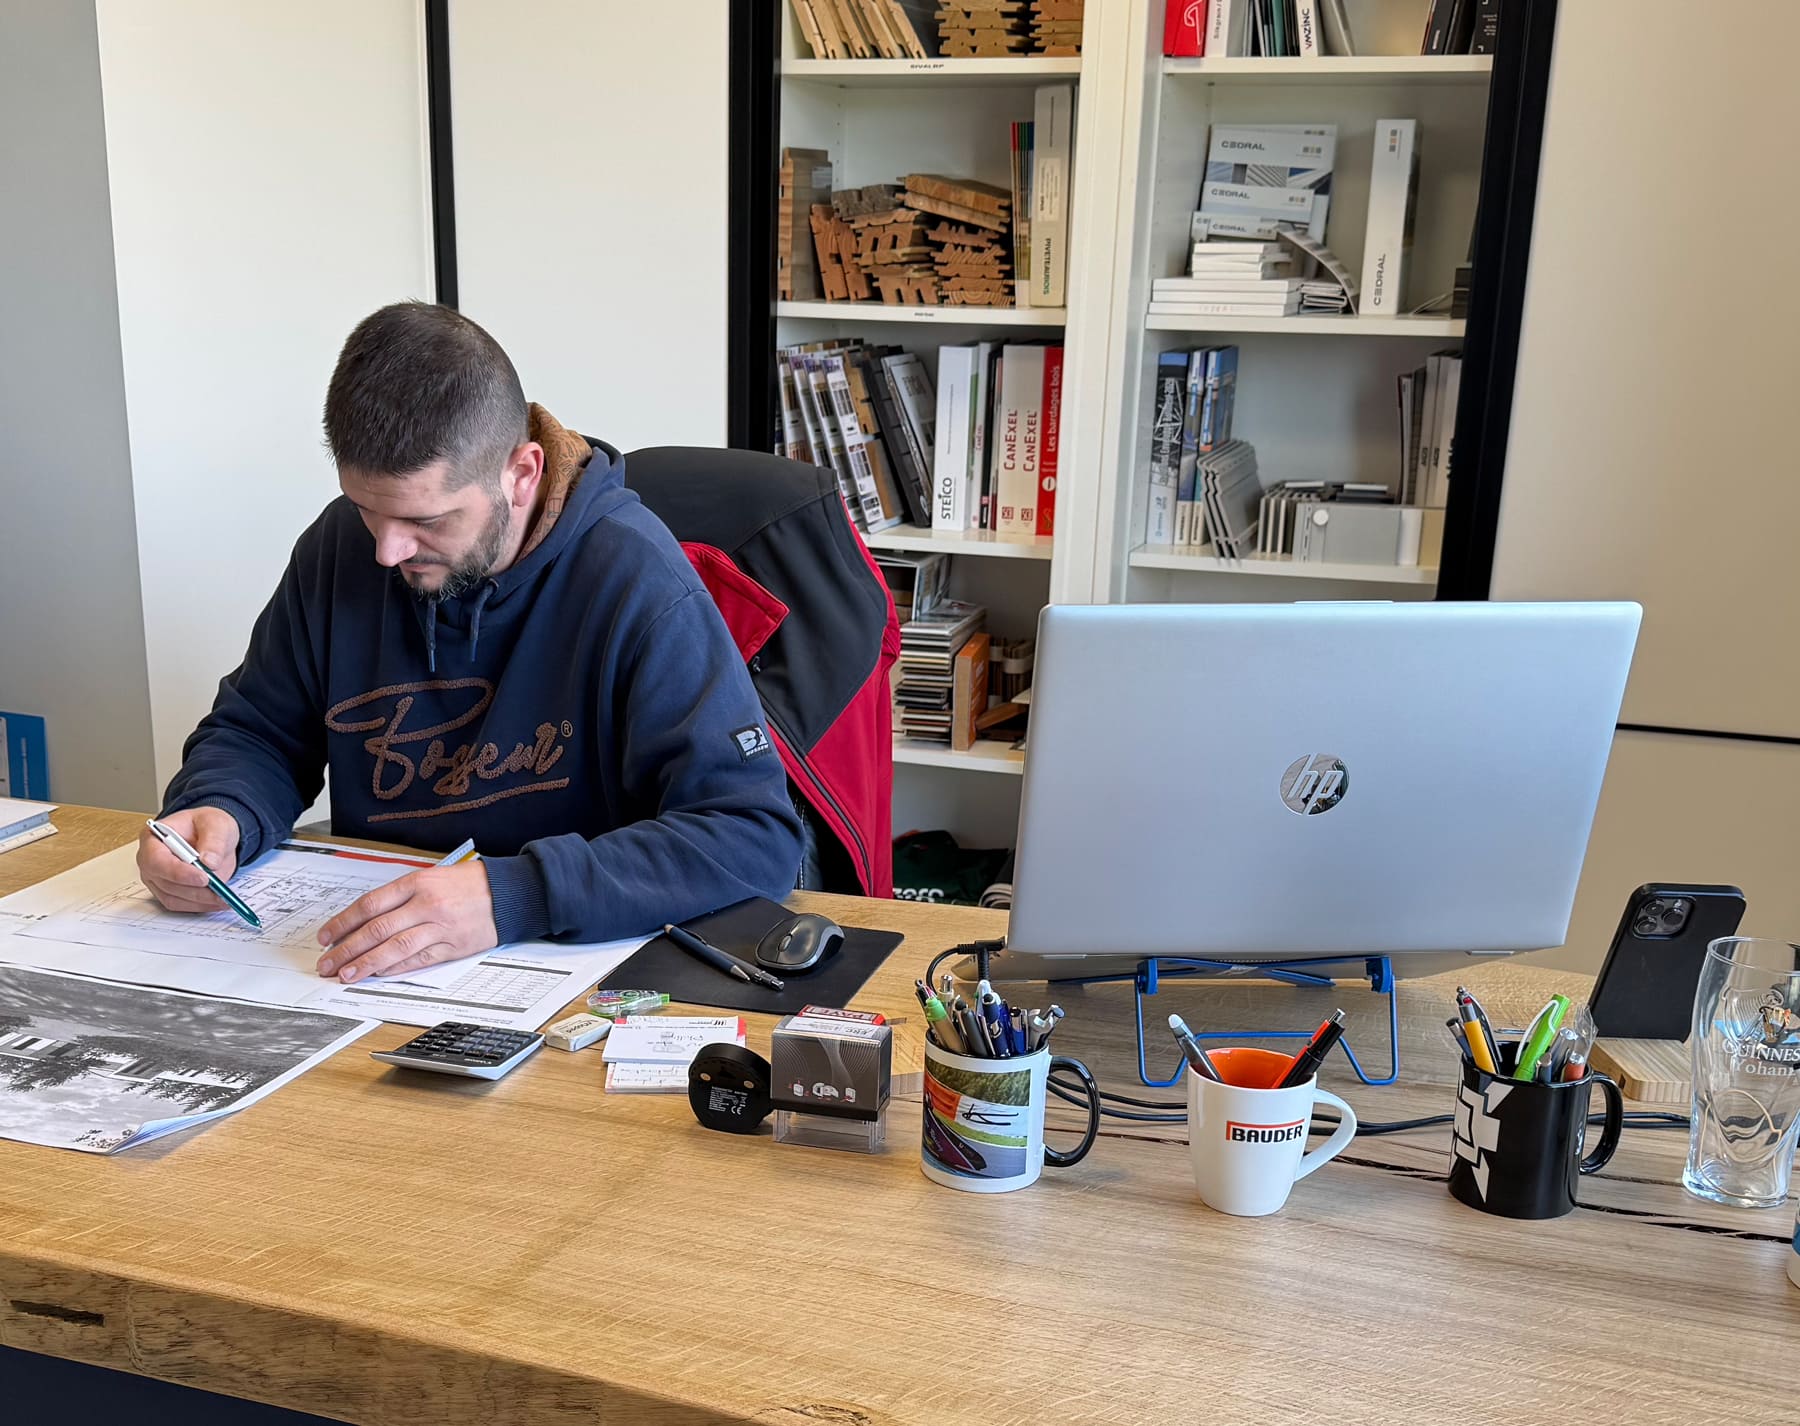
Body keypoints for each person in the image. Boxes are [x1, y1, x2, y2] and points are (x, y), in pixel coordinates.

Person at [137, 302, 803, 982]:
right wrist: (220, 808)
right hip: (369, 963)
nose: (388, 550)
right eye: (368, 510)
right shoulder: (340, 548)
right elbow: (261, 732)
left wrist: (513, 895)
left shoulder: (638, 581)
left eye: (426, 520)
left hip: (562, 968)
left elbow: (752, 836)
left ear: (521, 473)